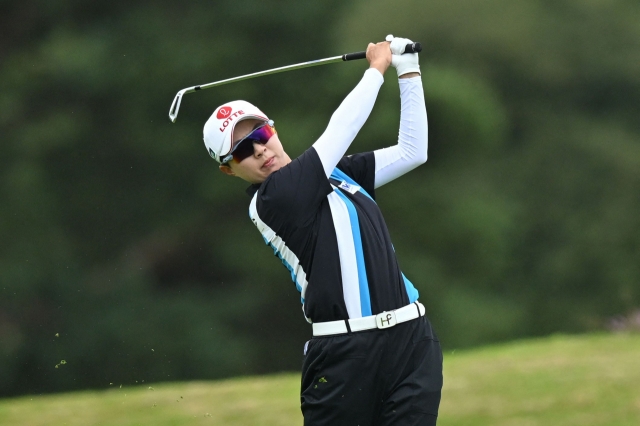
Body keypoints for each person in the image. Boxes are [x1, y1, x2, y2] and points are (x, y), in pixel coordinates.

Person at [203, 36, 443, 426]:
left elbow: (412, 151)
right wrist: (376, 68)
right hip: (345, 355)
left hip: (411, 340)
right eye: (244, 150)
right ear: (228, 169)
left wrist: (408, 69)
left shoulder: (338, 173)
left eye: (261, 135)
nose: (261, 150)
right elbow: (340, 130)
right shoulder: (272, 199)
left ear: (273, 130)